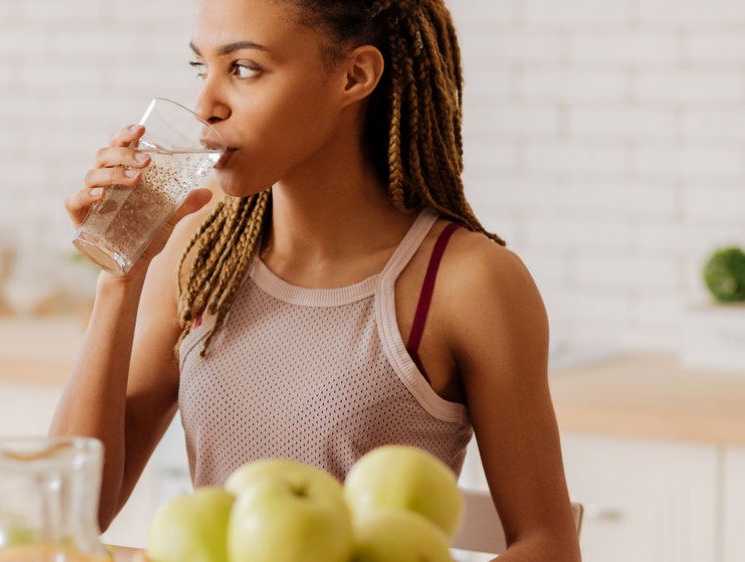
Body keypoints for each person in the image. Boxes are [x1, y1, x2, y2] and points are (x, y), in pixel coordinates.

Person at [53, 0, 581, 558]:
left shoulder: (467, 283)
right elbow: (68, 514)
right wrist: (120, 274)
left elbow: (547, 544)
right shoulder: (198, 251)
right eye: (200, 68)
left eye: (244, 69)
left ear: (354, 76)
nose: (205, 104)